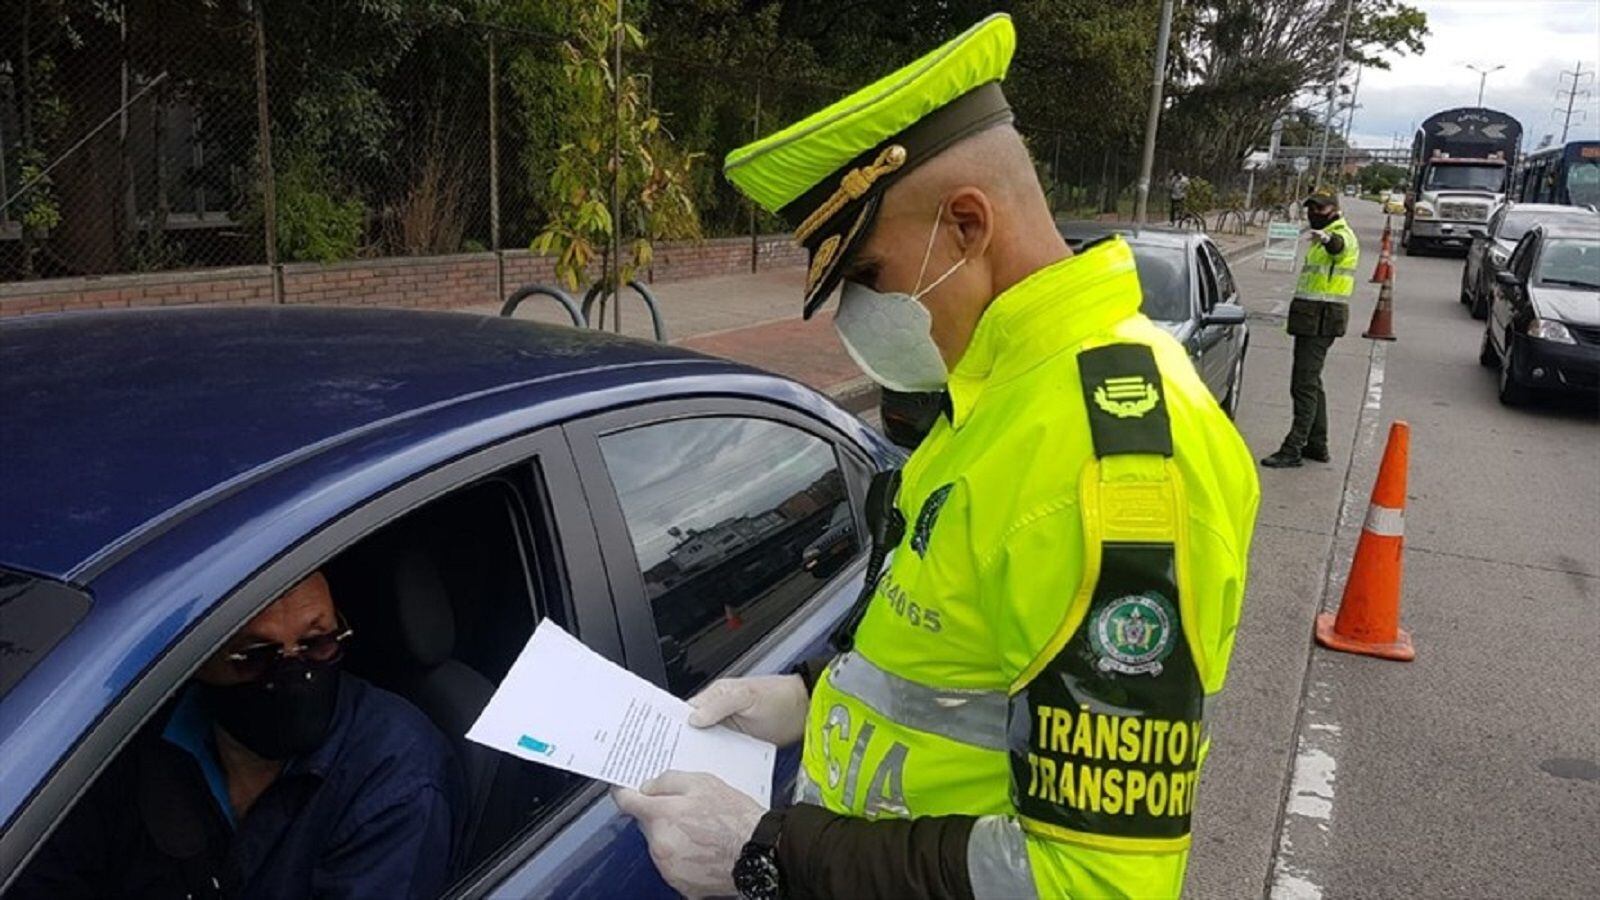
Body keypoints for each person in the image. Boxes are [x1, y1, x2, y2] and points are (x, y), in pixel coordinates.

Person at [610, 14, 1260, 900]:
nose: (859, 319)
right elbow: (954, 653)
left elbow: (1094, 880)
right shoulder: (999, 393)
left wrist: (770, 852)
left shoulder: (1108, 462)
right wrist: (809, 696)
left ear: (966, 224)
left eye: (870, 276)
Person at [11, 572, 461, 900]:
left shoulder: (396, 779)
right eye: (256, 656)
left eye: (317, 644)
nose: (296, 675)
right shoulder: (129, 735)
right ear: (198, 659)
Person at [1260, 189, 1361, 468]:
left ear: (1335, 210)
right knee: (1312, 382)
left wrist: (1327, 239)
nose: (1314, 213)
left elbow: (1339, 248)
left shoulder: (1342, 235)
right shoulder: (1321, 235)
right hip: (1311, 318)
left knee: (1303, 384)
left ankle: (1294, 447)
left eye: (1321, 209)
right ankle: (1317, 444)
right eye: (1311, 208)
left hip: (1322, 319)